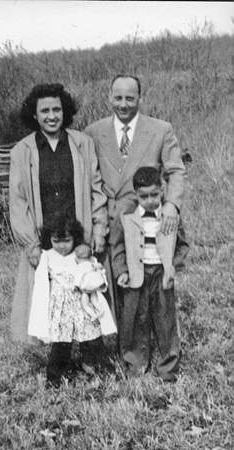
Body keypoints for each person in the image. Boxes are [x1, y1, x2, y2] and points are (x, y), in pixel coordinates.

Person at [9, 83, 108, 343]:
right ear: (34, 114)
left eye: (56, 109)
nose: (51, 116)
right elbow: (18, 201)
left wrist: (97, 230)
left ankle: (90, 353)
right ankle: (58, 358)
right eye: (45, 111)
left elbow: (96, 190)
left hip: (79, 236)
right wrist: (30, 243)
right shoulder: (23, 151)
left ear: (65, 111)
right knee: (49, 298)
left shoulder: (82, 144)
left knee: (84, 293)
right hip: (44, 241)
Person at [84, 74, 186, 322]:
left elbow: (176, 171)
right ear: (109, 97)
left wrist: (171, 205)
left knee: (149, 283)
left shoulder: (161, 130)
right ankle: (119, 342)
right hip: (109, 220)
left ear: (139, 98)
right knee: (113, 281)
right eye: (117, 97)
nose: (123, 104)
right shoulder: (93, 132)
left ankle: (153, 339)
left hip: (144, 219)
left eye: (130, 98)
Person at [111, 167, 189, 381]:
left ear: (162, 190)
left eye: (154, 194)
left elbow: (183, 245)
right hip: (138, 274)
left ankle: (168, 368)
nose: (150, 200)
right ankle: (136, 366)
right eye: (143, 196)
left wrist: (173, 266)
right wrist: (122, 271)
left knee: (166, 320)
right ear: (135, 194)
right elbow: (117, 247)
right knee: (136, 318)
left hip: (161, 274)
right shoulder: (126, 218)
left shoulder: (170, 217)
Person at [27, 213, 117, 387]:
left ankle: (98, 367)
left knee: (91, 337)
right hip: (61, 308)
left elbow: (93, 272)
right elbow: (40, 283)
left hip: (81, 304)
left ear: (75, 238)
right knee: (61, 342)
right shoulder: (47, 255)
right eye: (56, 241)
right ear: (49, 239)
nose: (61, 246)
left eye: (66, 241)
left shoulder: (80, 254)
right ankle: (55, 376)